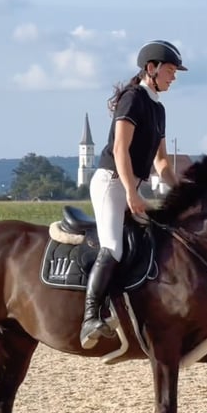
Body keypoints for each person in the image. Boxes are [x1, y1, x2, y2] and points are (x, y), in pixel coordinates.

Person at [80, 39, 186, 349]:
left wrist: (185, 194)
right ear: (150, 69)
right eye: (170, 70)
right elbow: (119, 149)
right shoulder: (132, 99)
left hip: (131, 183)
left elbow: (162, 162)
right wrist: (130, 192)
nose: (174, 77)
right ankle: (90, 318)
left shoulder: (158, 108)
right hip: (112, 181)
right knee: (113, 246)